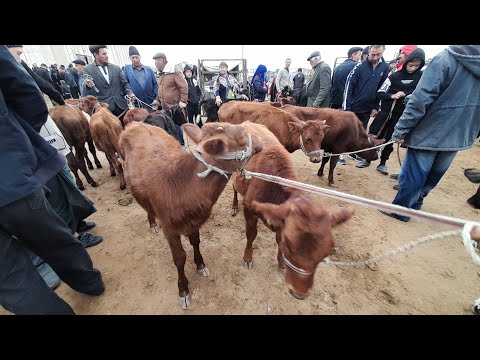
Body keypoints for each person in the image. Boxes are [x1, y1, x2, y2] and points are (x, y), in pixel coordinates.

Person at [0, 45, 104, 315]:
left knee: (9, 278)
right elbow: (26, 91)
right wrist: (19, 139)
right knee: (52, 237)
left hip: (10, 172)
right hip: (9, 173)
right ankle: (89, 282)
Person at [379, 45, 480, 222]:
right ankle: (417, 202)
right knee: (437, 171)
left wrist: (401, 129)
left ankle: (402, 209)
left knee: (417, 171)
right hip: (460, 131)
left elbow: (420, 99)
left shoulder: (445, 59)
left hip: (431, 128)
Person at [369, 48, 425, 176]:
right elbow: (380, 93)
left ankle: (383, 163)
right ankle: (367, 158)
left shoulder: (421, 78)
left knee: (391, 139)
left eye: (416, 66)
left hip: (402, 116)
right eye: (411, 65)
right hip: (386, 113)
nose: (412, 68)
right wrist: (392, 95)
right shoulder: (394, 76)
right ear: (406, 62)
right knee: (375, 136)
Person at [343, 45, 389, 168]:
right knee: (347, 131)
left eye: (378, 54)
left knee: (362, 133)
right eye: (372, 54)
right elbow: (349, 87)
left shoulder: (384, 68)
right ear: (369, 52)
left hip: (368, 108)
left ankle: (356, 154)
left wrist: (376, 106)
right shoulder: (359, 67)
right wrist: (346, 109)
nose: (375, 57)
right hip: (353, 107)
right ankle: (340, 154)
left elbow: (381, 89)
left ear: (383, 51)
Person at [82, 45, 134, 117]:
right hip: (105, 110)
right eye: (104, 54)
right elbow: (87, 94)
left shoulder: (116, 68)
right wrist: (87, 86)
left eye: (106, 53)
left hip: (122, 106)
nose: (107, 56)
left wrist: (130, 93)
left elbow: (125, 84)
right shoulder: (88, 70)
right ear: (95, 55)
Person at [151, 51, 188, 144]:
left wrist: (182, 104)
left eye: (157, 61)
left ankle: (184, 149)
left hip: (176, 109)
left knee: (180, 131)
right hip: (166, 109)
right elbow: (161, 91)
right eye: (155, 61)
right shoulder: (161, 75)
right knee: (172, 132)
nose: (156, 63)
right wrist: (156, 101)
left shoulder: (174, 72)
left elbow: (184, 87)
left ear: (163, 60)